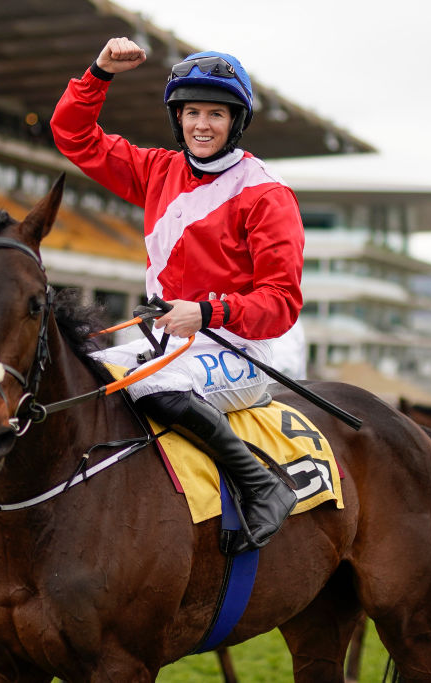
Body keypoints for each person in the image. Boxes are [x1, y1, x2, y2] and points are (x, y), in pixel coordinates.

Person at [50, 37, 304, 554]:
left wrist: (210, 311)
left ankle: (262, 485)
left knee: (146, 385)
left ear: (237, 121)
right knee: (75, 380)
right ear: (178, 118)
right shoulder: (157, 171)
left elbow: (281, 303)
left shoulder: (267, 194)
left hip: (238, 351)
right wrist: (99, 72)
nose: (202, 125)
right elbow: (73, 135)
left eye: (216, 113)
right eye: (191, 112)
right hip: (163, 347)